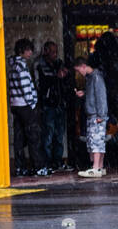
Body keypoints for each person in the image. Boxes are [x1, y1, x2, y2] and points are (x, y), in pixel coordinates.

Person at [8, 38, 49, 177]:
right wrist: (33, 103)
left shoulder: (12, 65)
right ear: (22, 51)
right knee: (34, 136)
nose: (30, 52)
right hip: (25, 106)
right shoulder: (21, 66)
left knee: (19, 138)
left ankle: (20, 167)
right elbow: (26, 88)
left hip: (15, 105)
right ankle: (38, 167)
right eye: (28, 50)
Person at [35, 40, 72, 172]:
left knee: (59, 135)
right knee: (48, 136)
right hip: (48, 105)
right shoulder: (39, 65)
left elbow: (65, 81)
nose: (55, 54)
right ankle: (48, 163)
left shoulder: (59, 63)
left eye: (56, 51)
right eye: (52, 51)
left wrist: (66, 74)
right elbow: (41, 85)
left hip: (60, 104)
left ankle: (58, 162)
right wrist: (56, 77)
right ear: (45, 51)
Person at [74, 57, 108, 177]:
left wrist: (101, 115)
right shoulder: (91, 78)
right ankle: (100, 167)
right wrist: (84, 94)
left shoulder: (96, 77)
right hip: (93, 114)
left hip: (96, 115)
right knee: (97, 140)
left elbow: (101, 97)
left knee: (96, 141)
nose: (79, 73)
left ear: (83, 66)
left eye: (78, 71)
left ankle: (96, 168)